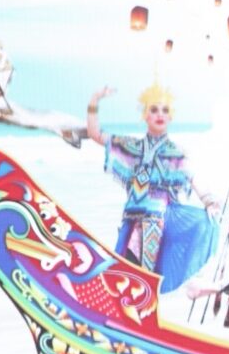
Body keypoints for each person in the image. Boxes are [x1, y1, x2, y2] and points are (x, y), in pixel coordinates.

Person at [87, 80, 220, 294]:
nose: (160, 114)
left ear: (170, 117)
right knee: (121, 274)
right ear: (145, 115)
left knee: (144, 278)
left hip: (156, 223)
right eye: (154, 109)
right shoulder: (132, 146)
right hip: (131, 221)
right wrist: (95, 99)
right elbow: (95, 134)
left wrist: (209, 201)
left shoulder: (175, 152)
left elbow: (193, 178)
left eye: (165, 110)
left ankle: (191, 285)